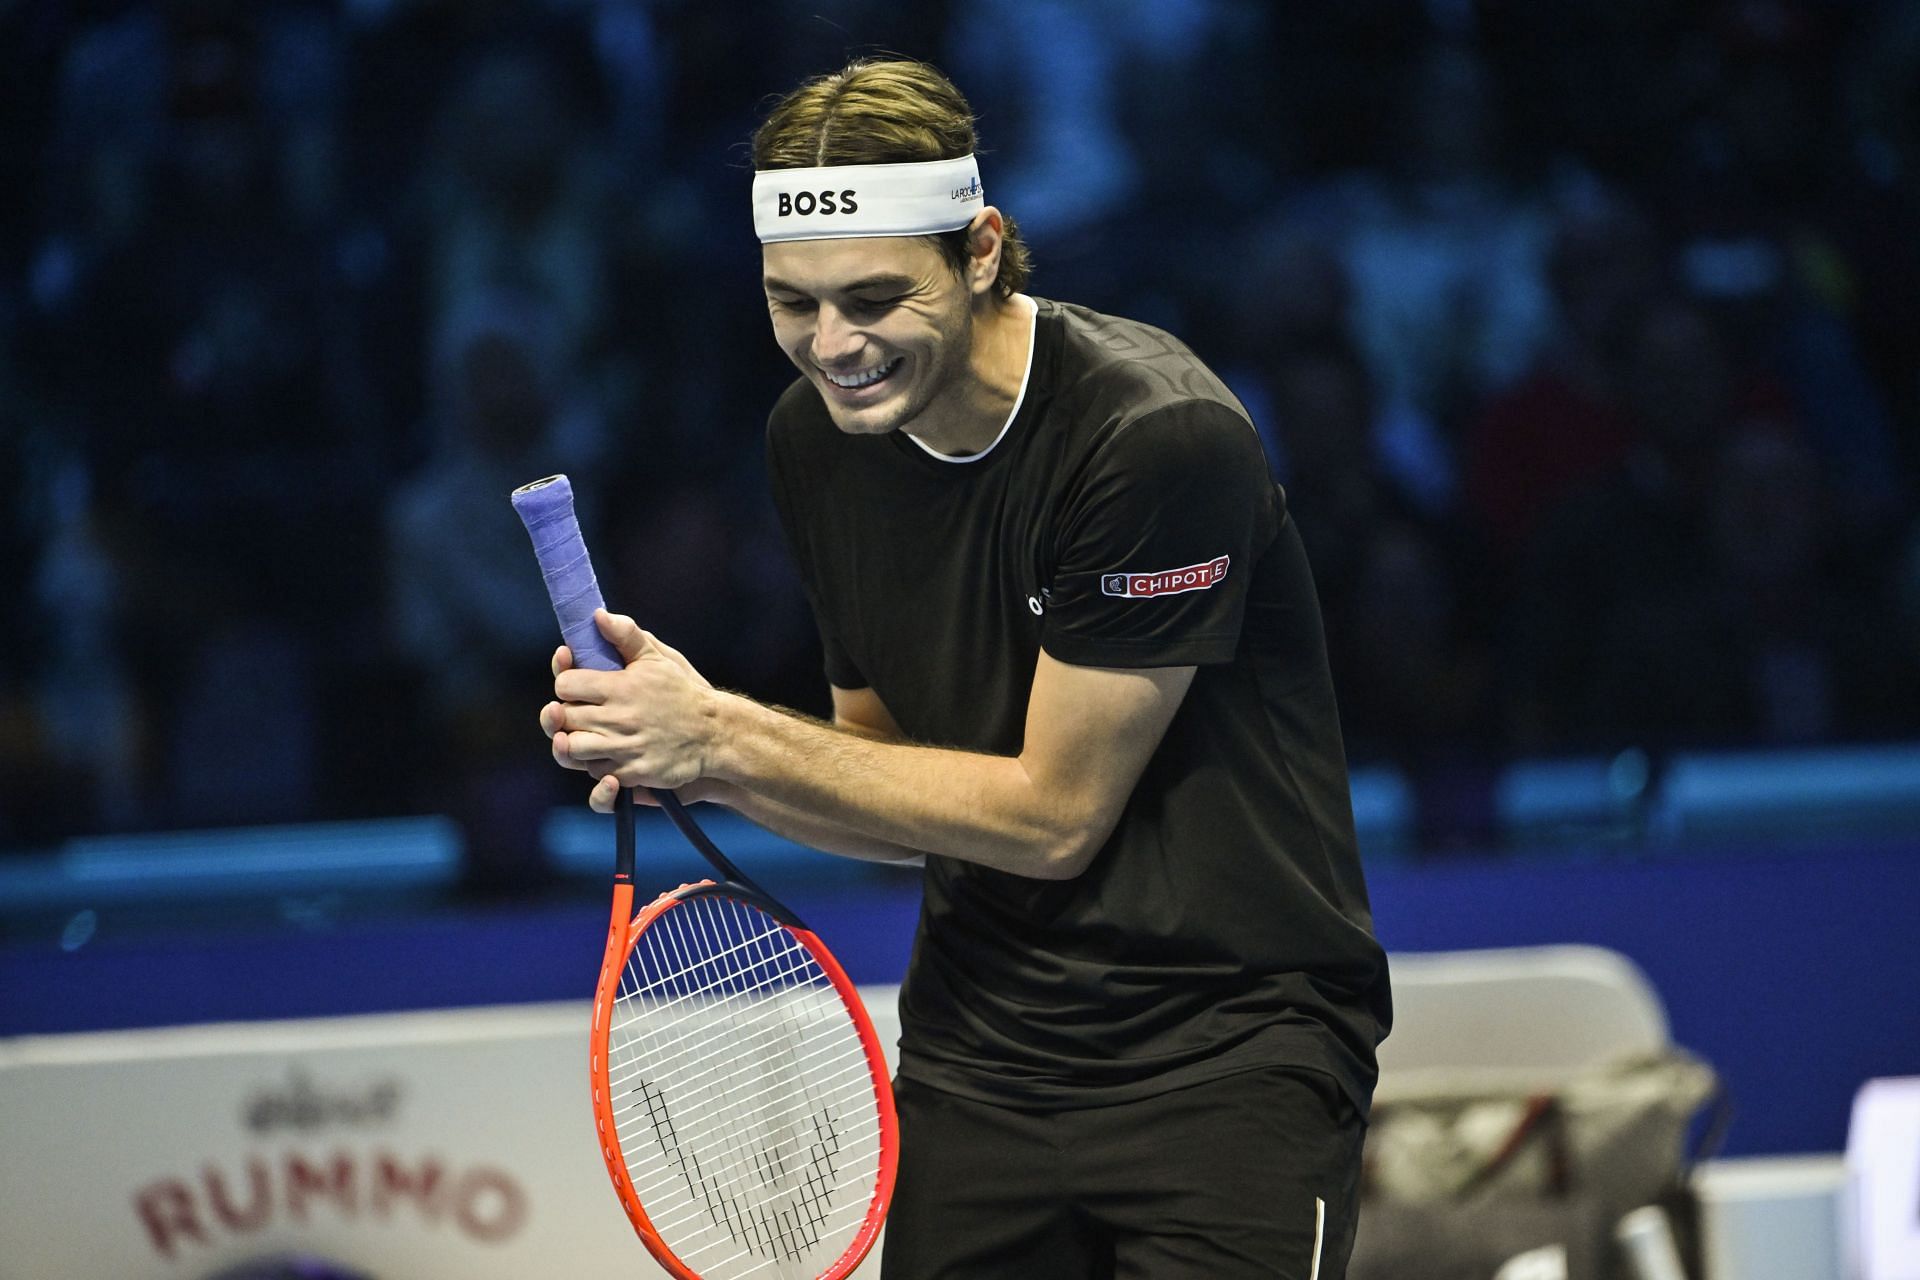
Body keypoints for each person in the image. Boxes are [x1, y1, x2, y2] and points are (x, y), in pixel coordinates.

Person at [541, 58, 1391, 1279]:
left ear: (982, 249)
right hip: (981, 1061)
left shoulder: (1154, 437)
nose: (834, 347)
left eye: (876, 297)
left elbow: (1052, 815)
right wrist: (676, 747)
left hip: (1229, 1057)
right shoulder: (816, 444)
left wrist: (723, 737)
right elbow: (891, 787)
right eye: (794, 303)